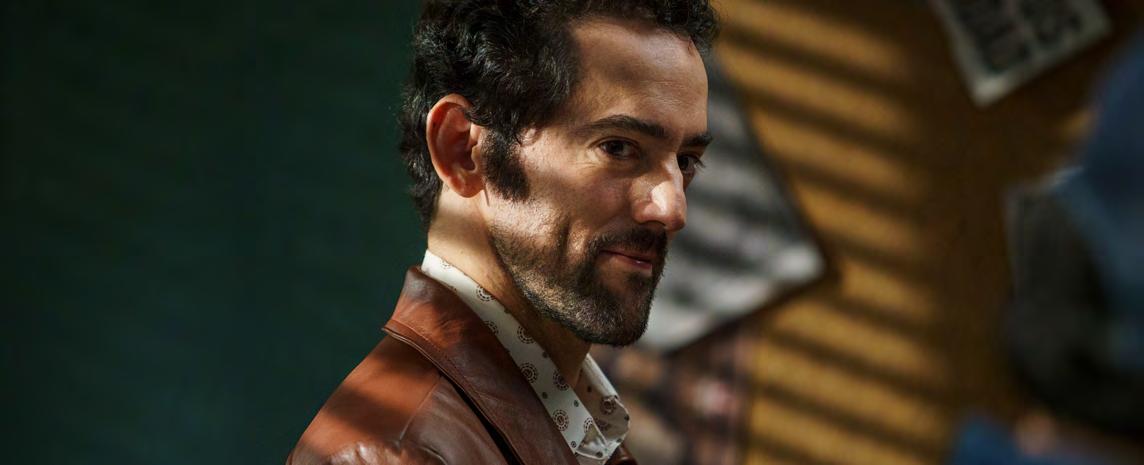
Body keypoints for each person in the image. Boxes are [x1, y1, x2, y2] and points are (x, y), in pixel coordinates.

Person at [286, 1, 718, 464]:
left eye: (685, 161)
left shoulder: (578, 427)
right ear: (462, 150)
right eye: (618, 147)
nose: (672, 209)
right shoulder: (400, 454)